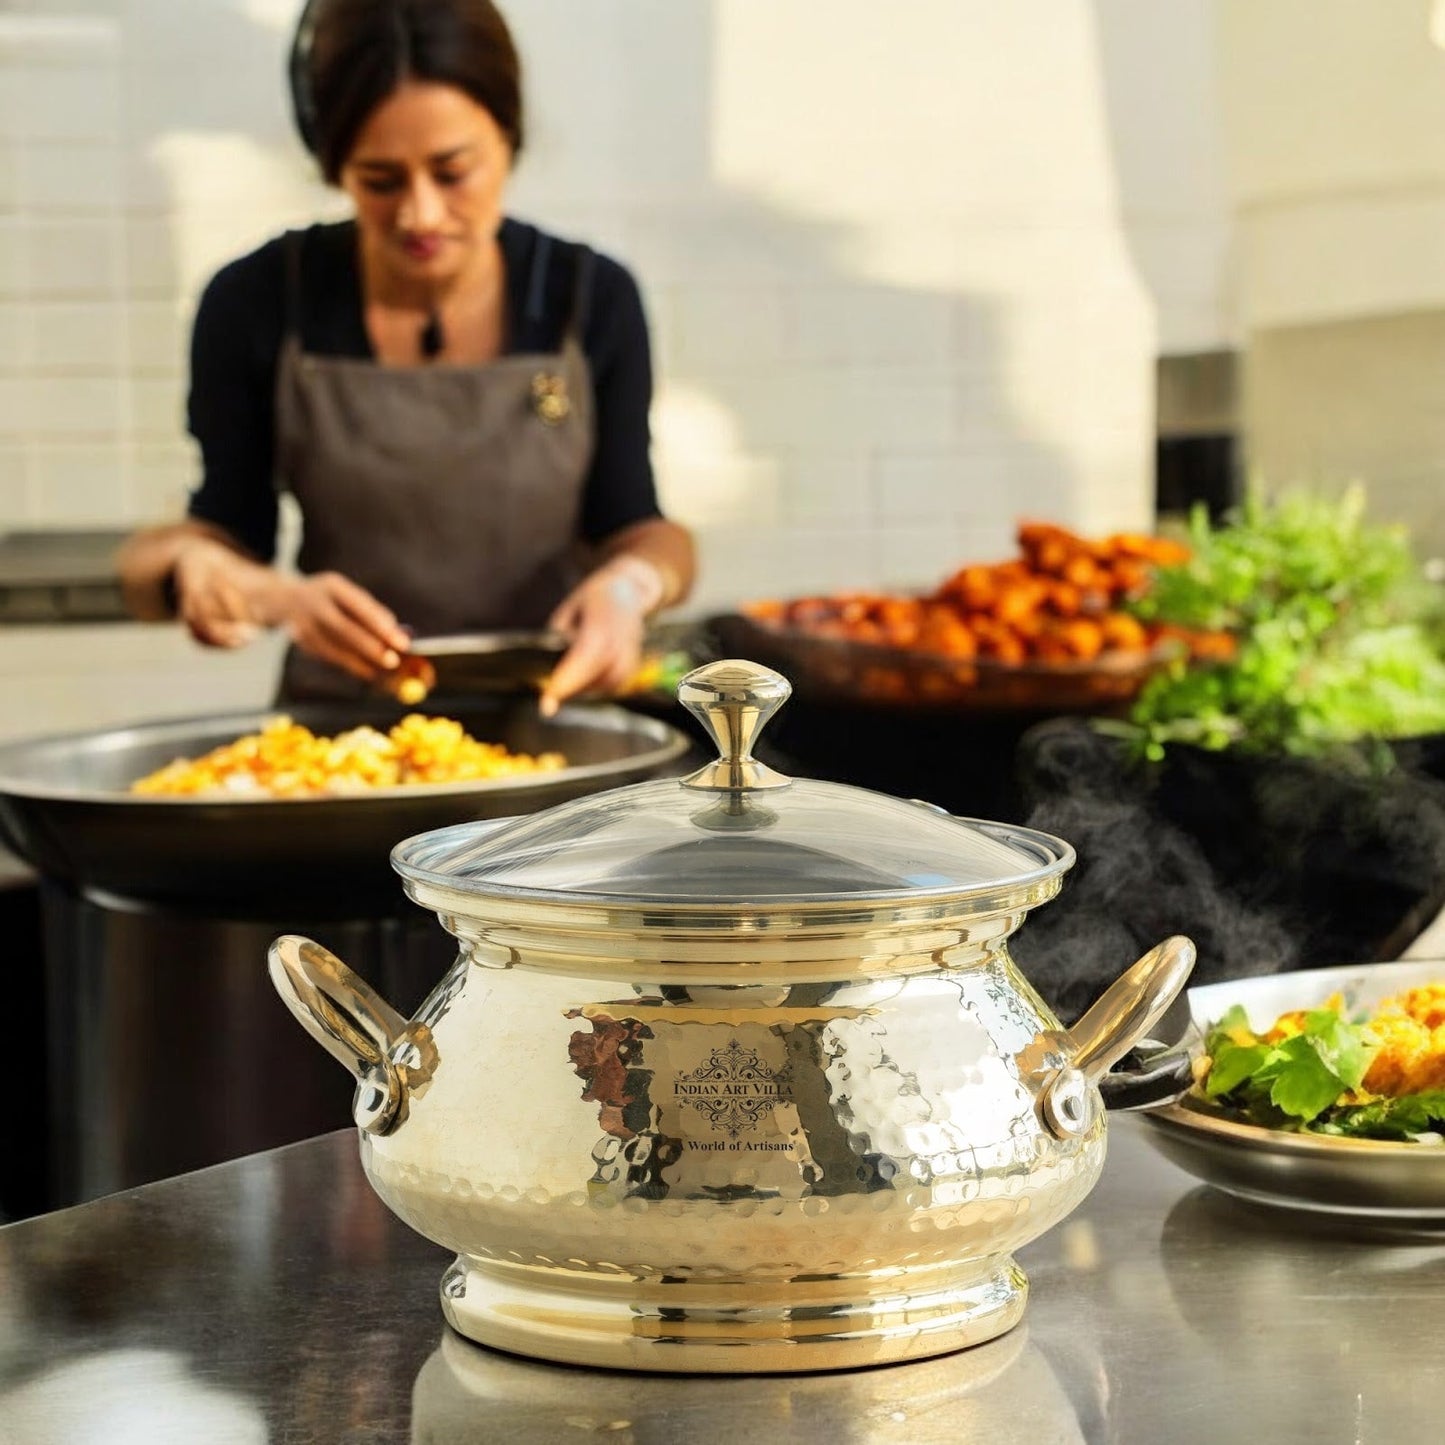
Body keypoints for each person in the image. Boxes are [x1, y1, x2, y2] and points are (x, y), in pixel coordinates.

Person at [117, 0, 695, 715]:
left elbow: (646, 530)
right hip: (341, 739)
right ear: (333, 166)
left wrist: (627, 589)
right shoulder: (259, 301)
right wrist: (201, 567)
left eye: (452, 172)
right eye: (381, 181)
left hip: (558, 724)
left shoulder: (588, 297)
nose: (420, 214)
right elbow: (194, 543)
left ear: (508, 140)